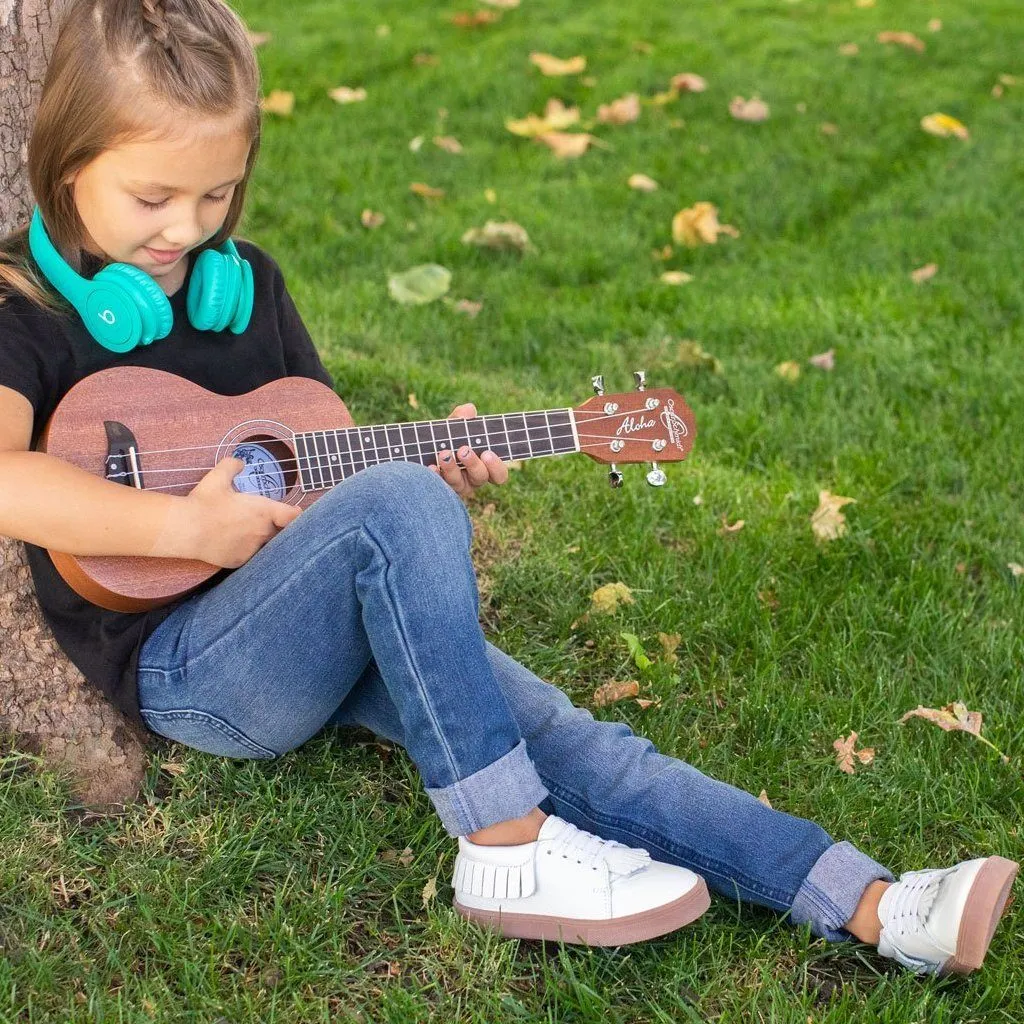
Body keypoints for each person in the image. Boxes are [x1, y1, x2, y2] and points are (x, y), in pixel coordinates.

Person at [0, 0, 1016, 975]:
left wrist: (424, 485)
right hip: (194, 672)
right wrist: (184, 526)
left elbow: (316, 466)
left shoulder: (246, 283)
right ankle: (504, 841)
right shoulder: (23, 307)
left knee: (566, 732)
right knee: (399, 509)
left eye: (217, 194)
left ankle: (874, 903)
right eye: (153, 197)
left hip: (315, 616)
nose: (188, 230)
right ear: (65, 157)